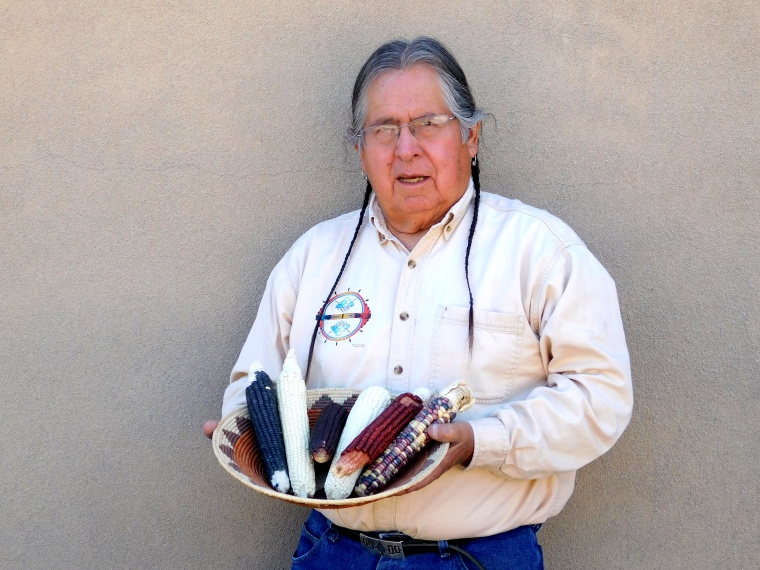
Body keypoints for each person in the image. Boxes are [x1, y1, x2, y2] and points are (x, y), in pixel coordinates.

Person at [204, 36, 633, 570]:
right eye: (384, 129)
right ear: (361, 150)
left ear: (471, 137)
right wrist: (245, 428)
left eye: (428, 124)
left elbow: (600, 399)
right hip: (333, 554)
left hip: (479, 558)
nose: (405, 147)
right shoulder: (313, 257)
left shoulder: (541, 252)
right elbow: (254, 382)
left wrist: (483, 441)